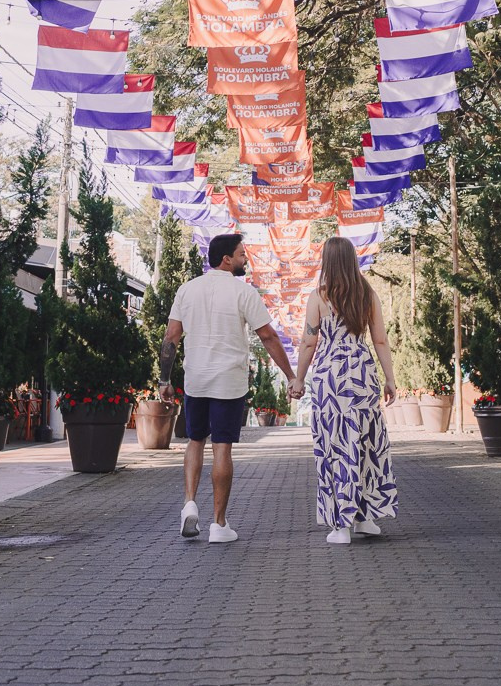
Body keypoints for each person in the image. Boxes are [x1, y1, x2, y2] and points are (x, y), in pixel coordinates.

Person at [159, 232, 296, 545]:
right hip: (228, 382)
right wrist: (289, 374)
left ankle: (190, 503)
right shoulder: (242, 292)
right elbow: (269, 337)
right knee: (222, 446)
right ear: (226, 259)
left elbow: (171, 338)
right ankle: (219, 525)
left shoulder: (187, 289)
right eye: (241, 254)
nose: (245, 259)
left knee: (195, 440)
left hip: (195, 378)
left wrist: (164, 380)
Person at [288, 236, 398, 545]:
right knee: (364, 443)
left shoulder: (318, 298)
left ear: (327, 262)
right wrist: (389, 379)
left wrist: (299, 379)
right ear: (351, 260)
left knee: (334, 444)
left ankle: (341, 525)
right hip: (361, 374)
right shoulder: (368, 294)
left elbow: (310, 341)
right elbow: (380, 340)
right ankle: (365, 517)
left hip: (329, 377)